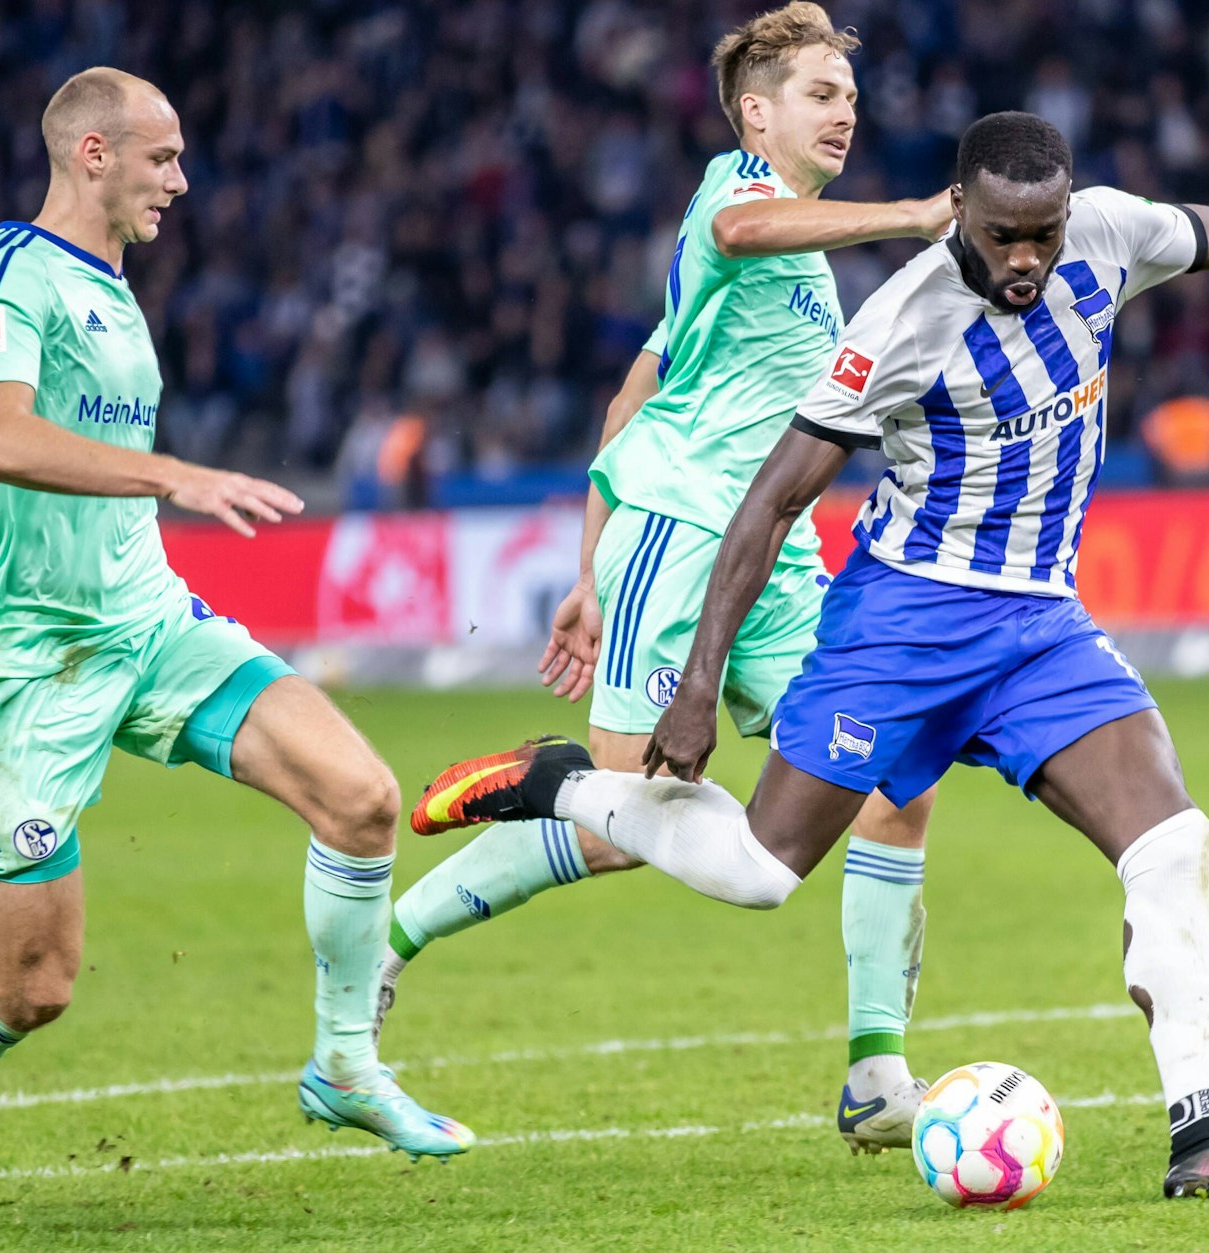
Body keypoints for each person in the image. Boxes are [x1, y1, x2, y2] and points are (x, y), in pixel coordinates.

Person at [416, 111, 1209, 1199]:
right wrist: (694, 688)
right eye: (1005, 236)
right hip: (901, 624)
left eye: (1044, 234)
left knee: (1172, 841)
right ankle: (559, 781)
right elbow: (771, 503)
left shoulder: (1108, 234)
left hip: (1037, 628)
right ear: (959, 212)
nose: (1027, 259)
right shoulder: (899, 321)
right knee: (755, 873)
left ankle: (1205, 1136)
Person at [0, 68, 469, 1235]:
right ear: (92, 154)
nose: (181, 182)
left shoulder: (115, 286)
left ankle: (343, 1063)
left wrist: (159, 499)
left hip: (147, 623)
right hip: (26, 659)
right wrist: (173, 473)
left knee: (361, 796)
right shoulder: (3, 273)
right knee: (36, 984)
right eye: (161, 159)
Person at [393, 2, 953, 1155]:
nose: (844, 110)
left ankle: (874, 1069)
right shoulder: (728, 198)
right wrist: (913, 217)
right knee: (622, 822)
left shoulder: (789, 272)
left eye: (849, 96)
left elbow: (627, 398)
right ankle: (395, 934)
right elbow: (749, 234)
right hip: (686, 535)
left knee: (893, 768)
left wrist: (581, 570)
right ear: (757, 116)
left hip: (779, 554)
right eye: (818, 94)